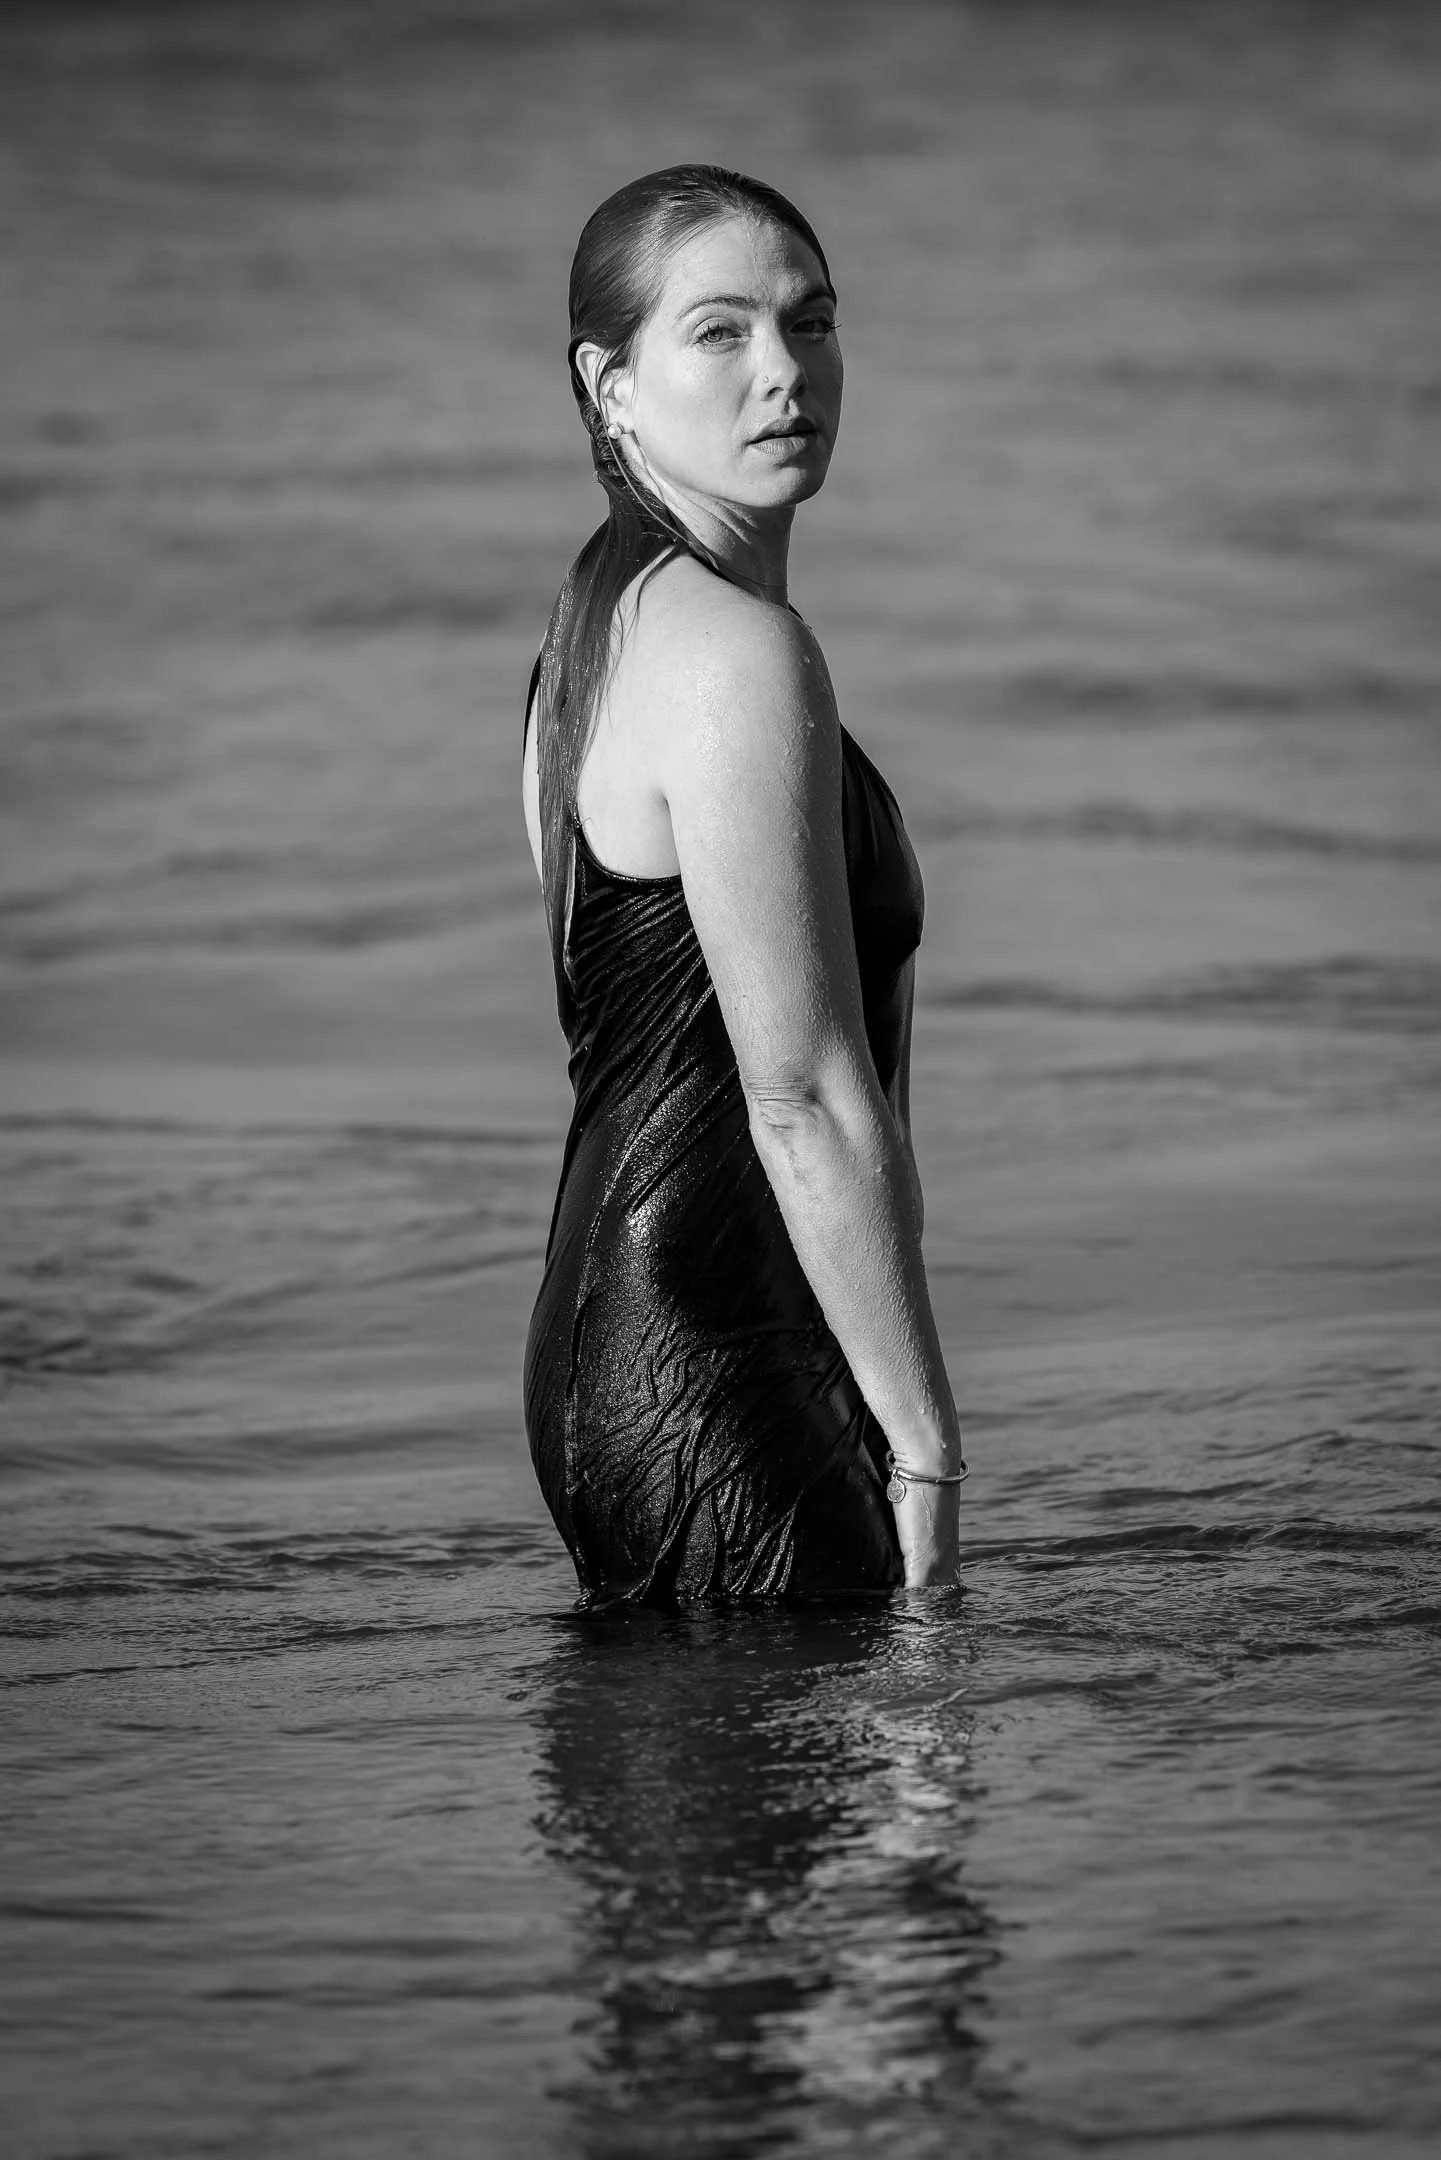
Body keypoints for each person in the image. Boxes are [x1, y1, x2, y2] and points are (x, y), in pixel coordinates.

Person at [521, 165, 964, 1603]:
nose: (785, 370)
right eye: (718, 331)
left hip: (640, 1340)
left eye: (811, 321)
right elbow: (805, 1096)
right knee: (894, 1731)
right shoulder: (733, 653)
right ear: (609, 384)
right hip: (712, 1367)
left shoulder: (597, 632)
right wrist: (928, 1456)